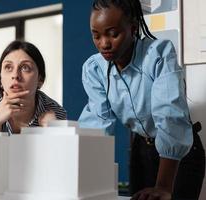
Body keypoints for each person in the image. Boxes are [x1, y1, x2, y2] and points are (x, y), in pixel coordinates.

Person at [78, 0, 205, 199]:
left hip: (180, 153)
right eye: (96, 35)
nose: (104, 43)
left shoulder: (158, 55)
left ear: (133, 28)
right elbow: (97, 127)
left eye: (113, 34)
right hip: (141, 150)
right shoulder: (94, 70)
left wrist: (163, 187)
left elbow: (170, 118)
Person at [0, 40, 66, 134]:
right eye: (8, 67)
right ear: (0, 79)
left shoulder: (55, 112)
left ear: (40, 80)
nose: (15, 75)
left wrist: (53, 132)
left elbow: (61, 148)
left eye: (25, 68)